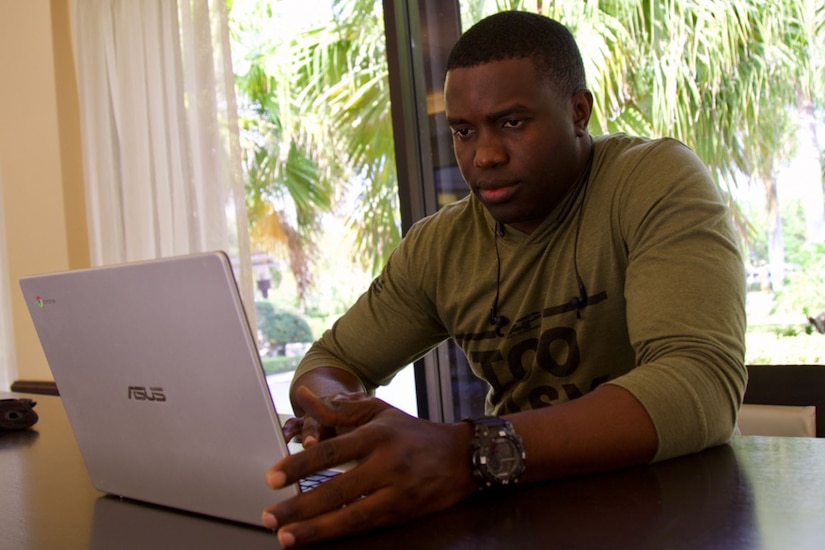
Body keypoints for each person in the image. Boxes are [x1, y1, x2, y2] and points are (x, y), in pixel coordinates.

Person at [262, 11, 746, 547]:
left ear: (579, 111)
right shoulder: (439, 245)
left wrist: (470, 451)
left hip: (676, 512)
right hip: (521, 517)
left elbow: (700, 381)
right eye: (464, 132)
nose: (484, 156)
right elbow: (328, 364)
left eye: (512, 122)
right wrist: (341, 414)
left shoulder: (652, 180)